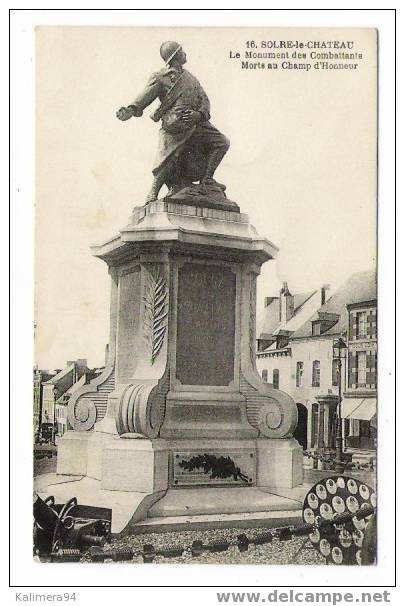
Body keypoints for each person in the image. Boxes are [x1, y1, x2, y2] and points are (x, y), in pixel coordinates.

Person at [116, 41, 230, 203]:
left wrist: (199, 115)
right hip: (175, 123)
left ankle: (207, 179)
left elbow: (204, 99)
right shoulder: (160, 77)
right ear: (175, 55)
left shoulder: (191, 78)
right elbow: (145, 96)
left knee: (222, 142)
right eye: (182, 51)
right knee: (170, 157)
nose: (185, 54)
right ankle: (153, 193)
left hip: (196, 121)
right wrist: (131, 110)